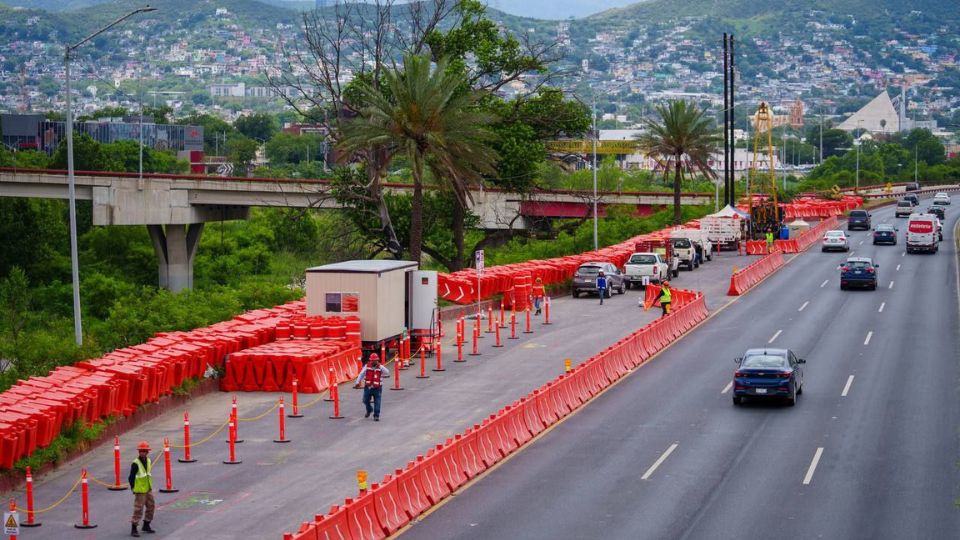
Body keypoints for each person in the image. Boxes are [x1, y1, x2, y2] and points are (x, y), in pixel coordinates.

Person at [128, 441, 156, 537]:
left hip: (148, 488)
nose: (143, 452)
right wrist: (133, 488)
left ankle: (146, 524)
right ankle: (134, 528)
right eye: (141, 451)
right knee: (138, 509)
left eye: (144, 451)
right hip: (140, 490)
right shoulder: (135, 463)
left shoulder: (148, 461)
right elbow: (131, 477)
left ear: (147, 452)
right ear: (139, 452)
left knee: (151, 506)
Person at [354, 353, 391, 421]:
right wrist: (357, 382)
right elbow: (361, 374)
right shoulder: (366, 366)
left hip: (377, 388)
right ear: (370, 360)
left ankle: (376, 415)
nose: (374, 362)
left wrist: (381, 366)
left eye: (375, 360)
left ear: (377, 360)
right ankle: (369, 409)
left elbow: (387, 372)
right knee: (365, 400)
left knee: (377, 402)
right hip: (368, 387)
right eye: (372, 360)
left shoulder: (380, 367)